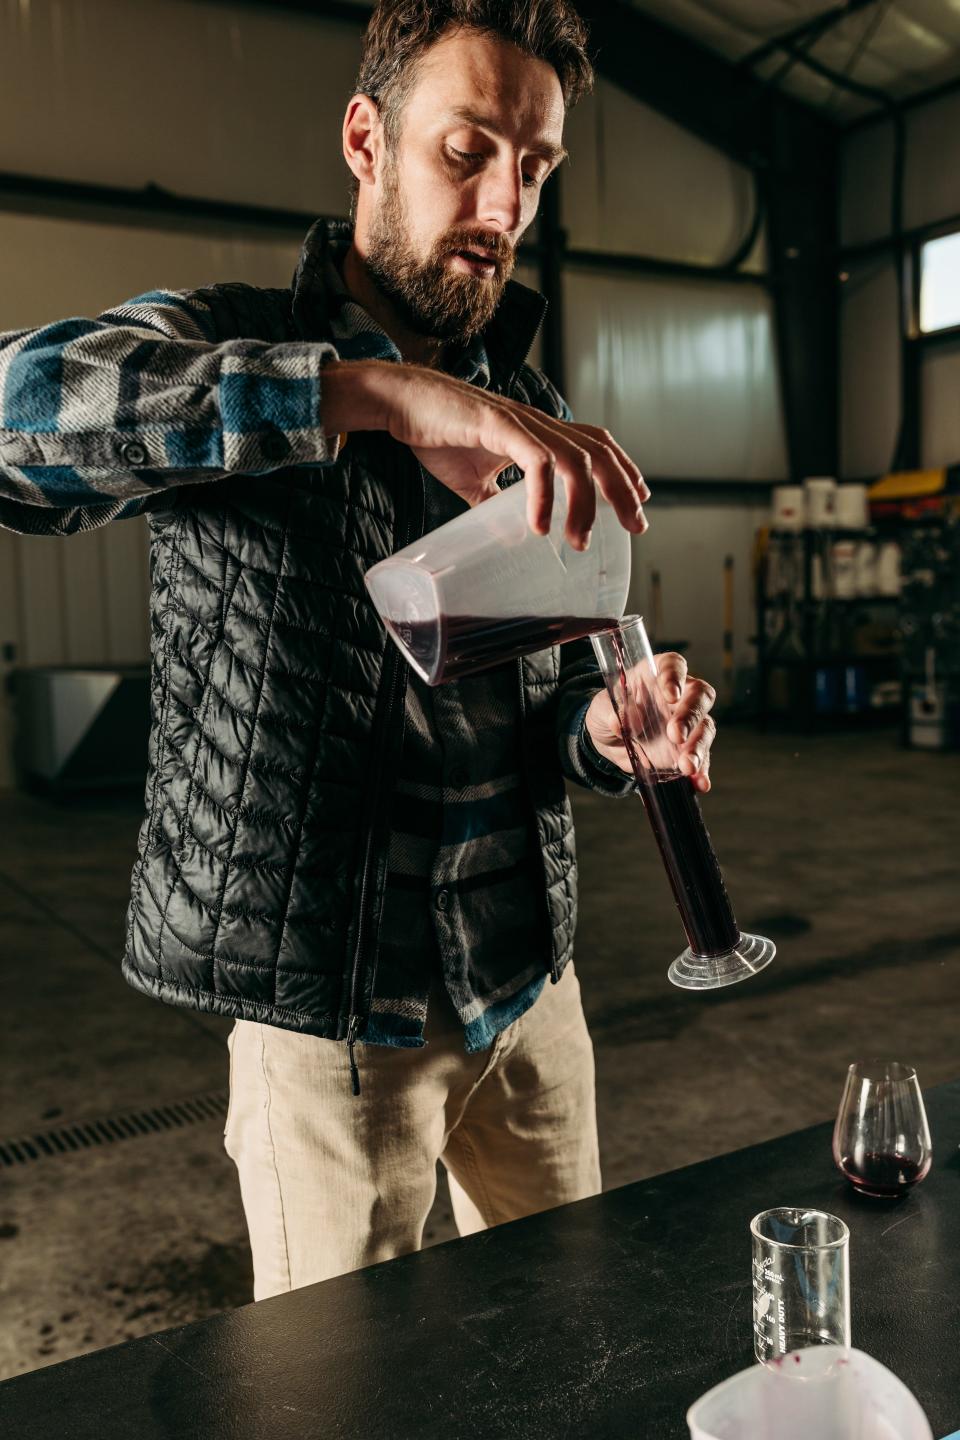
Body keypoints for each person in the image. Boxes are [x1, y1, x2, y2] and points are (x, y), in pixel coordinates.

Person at [0, 0, 717, 1299]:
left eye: (537, 167)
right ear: (365, 139)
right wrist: (373, 393)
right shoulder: (226, 339)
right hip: (335, 1026)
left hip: (525, 989)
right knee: (338, 1403)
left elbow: (533, 703)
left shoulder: (532, 415)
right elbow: (11, 417)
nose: (504, 203)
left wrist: (604, 738)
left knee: (576, 1352)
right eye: (468, 150)